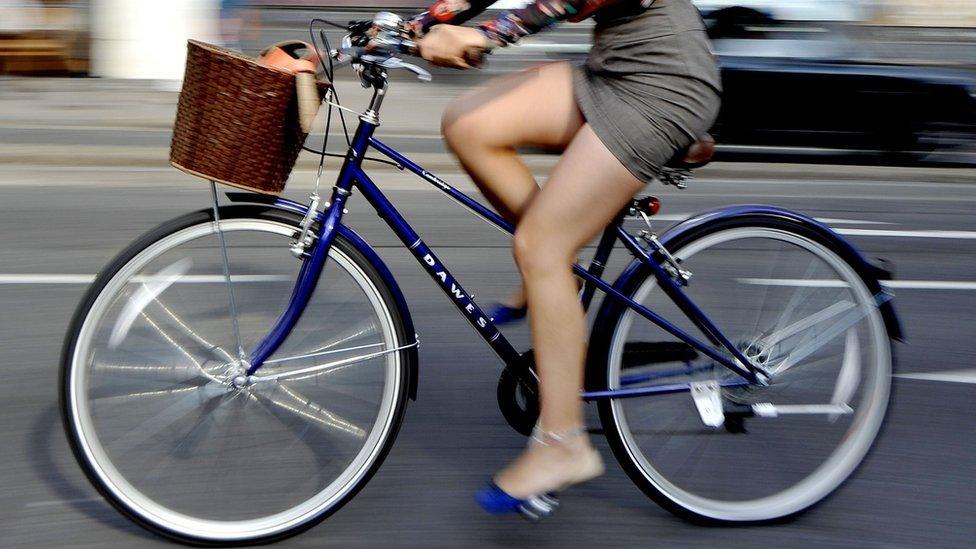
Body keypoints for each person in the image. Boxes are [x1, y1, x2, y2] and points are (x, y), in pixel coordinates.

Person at [409, 0, 722, 519]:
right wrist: (419, 22)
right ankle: (556, 285)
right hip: (613, 69)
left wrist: (490, 36)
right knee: (468, 122)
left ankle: (564, 443)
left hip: (662, 83)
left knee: (541, 247)